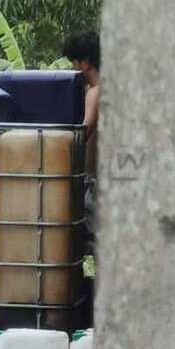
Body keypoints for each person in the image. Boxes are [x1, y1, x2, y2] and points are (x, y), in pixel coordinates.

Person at [63, 32, 101, 242]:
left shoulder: (95, 93)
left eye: (74, 63)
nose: (73, 69)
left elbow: (83, 133)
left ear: (85, 63)